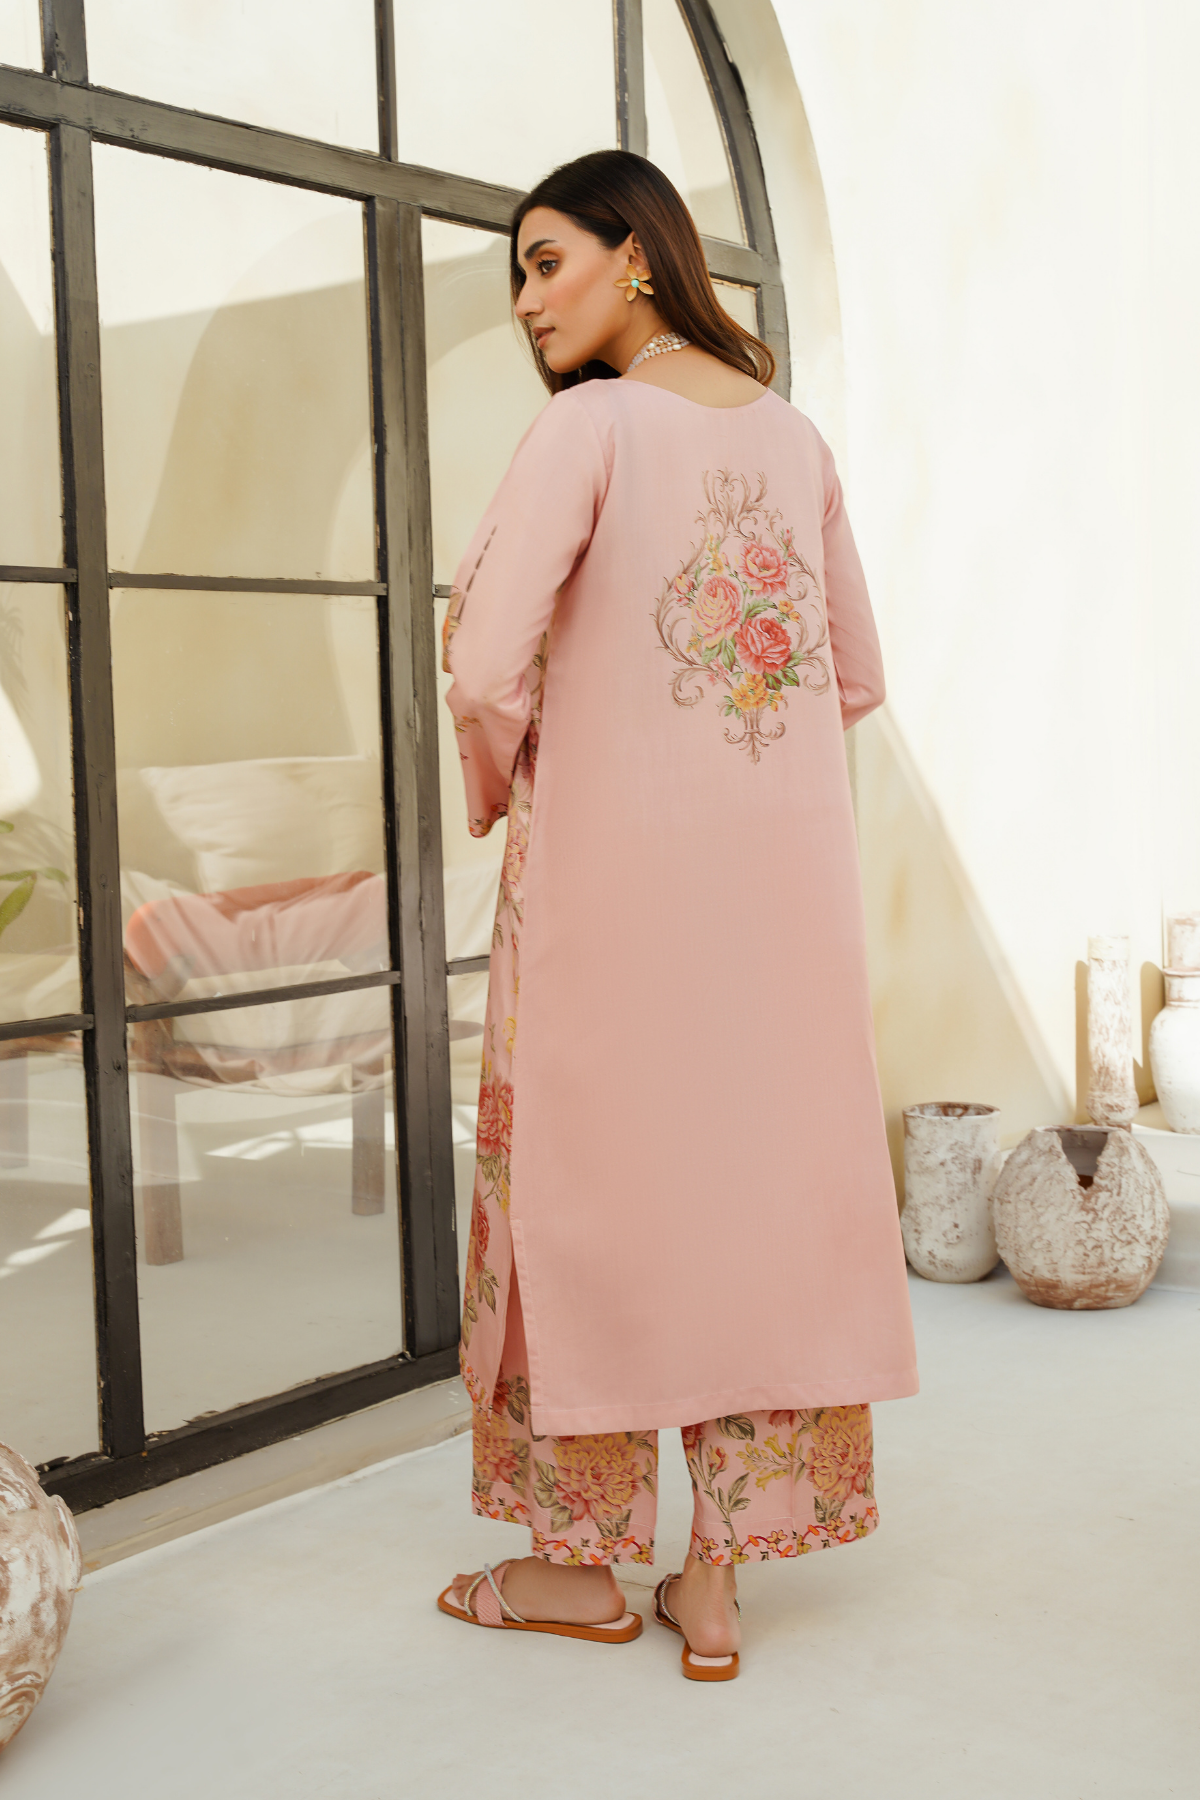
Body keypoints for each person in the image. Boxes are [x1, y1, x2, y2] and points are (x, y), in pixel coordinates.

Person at [436, 150, 916, 1681]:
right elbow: (852, 676)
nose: (529, 302)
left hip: (604, 902)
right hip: (779, 920)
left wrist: (507, 784)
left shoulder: (588, 428)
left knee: (578, 1203)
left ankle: (577, 1570)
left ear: (635, 257)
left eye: (546, 262)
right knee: (755, 1208)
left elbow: (482, 667)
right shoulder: (795, 438)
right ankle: (716, 1582)